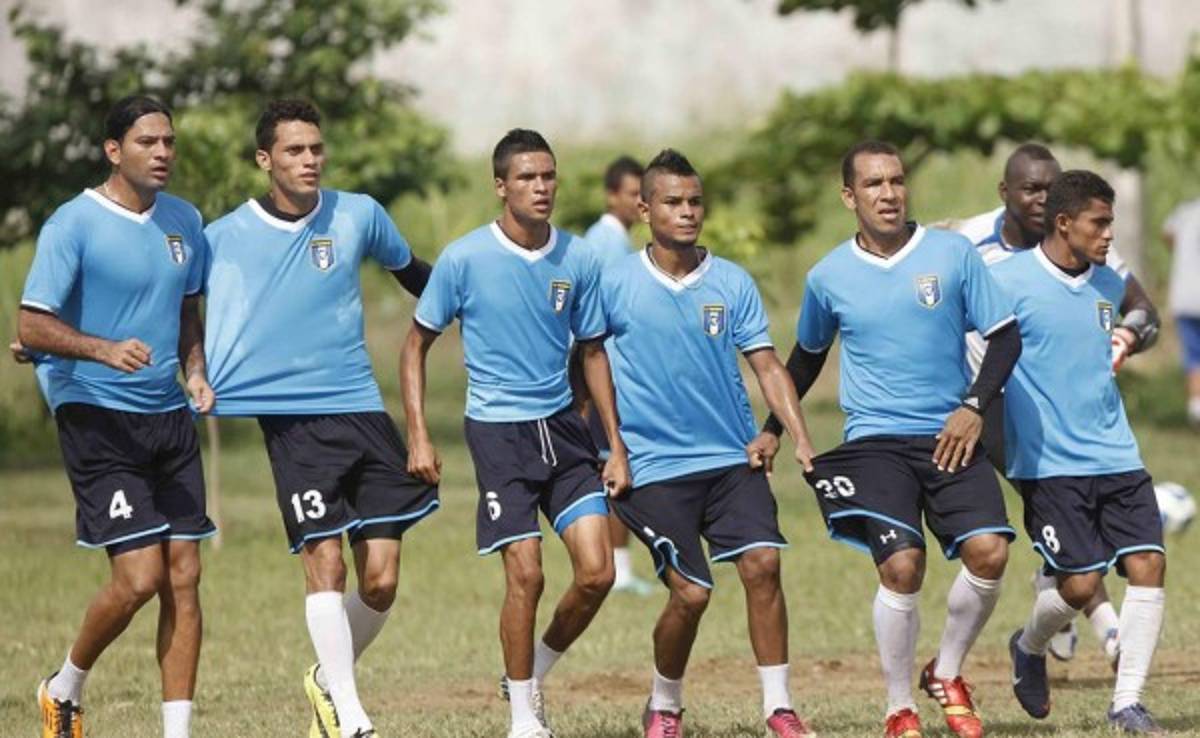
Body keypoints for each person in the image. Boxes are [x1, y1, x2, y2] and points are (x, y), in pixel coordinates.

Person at [761, 140, 1022, 738]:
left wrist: (973, 407)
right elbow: (805, 359)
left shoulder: (952, 254)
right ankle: (899, 706)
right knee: (903, 566)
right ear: (848, 196)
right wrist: (773, 430)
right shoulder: (828, 275)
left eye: (897, 181)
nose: (889, 194)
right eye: (874, 184)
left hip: (949, 433)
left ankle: (947, 671)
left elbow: (1005, 337)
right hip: (874, 441)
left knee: (990, 552)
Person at [202, 99, 438, 738]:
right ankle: (351, 718)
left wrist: (485, 301)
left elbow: (416, 275)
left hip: (360, 408)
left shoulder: (359, 214)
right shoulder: (223, 236)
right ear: (265, 159)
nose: (309, 160)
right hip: (291, 422)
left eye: (315, 148)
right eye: (294, 150)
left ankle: (328, 679)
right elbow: (166, 296)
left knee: (381, 580)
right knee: (326, 563)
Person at [401, 129, 629, 738]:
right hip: (498, 434)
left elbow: (593, 353)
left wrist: (616, 446)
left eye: (548, 176)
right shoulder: (464, 258)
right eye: (527, 177)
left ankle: (530, 671)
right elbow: (415, 346)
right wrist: (418, 434)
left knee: (598, 573)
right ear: (501, 186)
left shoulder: (579, 257)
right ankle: (524, 719)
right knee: (526, 574)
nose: (541, 187)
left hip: (564, 429)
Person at [600, 149, 819, 738]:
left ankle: (779, 707)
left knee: (763, 564)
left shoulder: (731, 282)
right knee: (691, 594)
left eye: (695, 201)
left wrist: (796, 436)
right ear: (644, 209)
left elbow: (767, 364)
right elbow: (587, 368)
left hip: (729, 459)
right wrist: (610, 448)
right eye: (673, 202)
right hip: (652, 466)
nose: (687, 211)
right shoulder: (613, 283)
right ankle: (664, 704)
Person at [19, 94, 215, 738]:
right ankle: (64, 686)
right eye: (146, 142)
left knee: (184, 575)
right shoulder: (71, 224)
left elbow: (187, 311)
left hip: (168, 416)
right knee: (138, 578)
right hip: (97, 414)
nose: (162, 153)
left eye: (168, 142)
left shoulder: (185, 220)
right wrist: (103, 349)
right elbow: (31, 325)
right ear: (113, 150)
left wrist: (195, 371)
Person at [956, 143, 1161, 667]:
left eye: (1052, 189)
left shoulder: (1093, 246)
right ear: (1005, 192)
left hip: (1072, 409)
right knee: (1066, 522)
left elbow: (1143, 311)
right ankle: (1100, 624)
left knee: (1077, 537)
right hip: (995, 402)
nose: (1043, 200)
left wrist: (1127, 337)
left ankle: (1066, 601)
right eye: (1032, 189)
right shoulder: (973, 245)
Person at [999, 170, 1167, 734]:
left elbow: (1147, 316)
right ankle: (1029, 646)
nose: (1108, 234)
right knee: (1079, 584)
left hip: (1116, 451)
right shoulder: (1006, 280)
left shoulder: (1108, 283)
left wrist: (1130, 334)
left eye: (1111, 223)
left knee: (1149, 563)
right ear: (1064, 222)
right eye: (1099, 223)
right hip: (1048, 463)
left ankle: (1127, 702)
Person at [581, 155, 654, 595]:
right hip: (607, 377)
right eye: (631, 194)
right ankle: (616, 568)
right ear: (612, 196)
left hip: (613, 374)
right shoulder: (606, 243)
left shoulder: (616, 240)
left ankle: (619, 565)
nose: (638, 202)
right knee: (614, 462)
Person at [1162, 196, 1200, 426]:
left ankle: (1196, 409)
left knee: (1194, 356)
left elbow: (1167, 235)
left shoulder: (1185, 211)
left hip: (1184, 297)